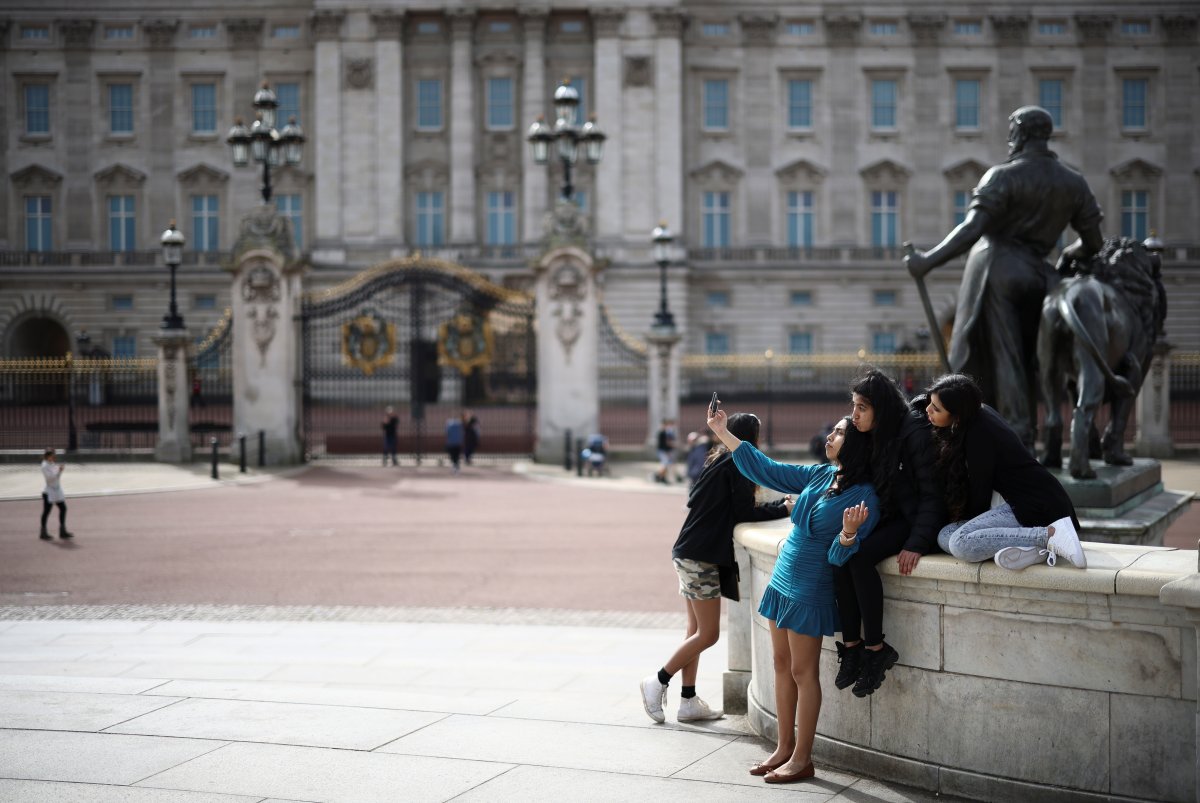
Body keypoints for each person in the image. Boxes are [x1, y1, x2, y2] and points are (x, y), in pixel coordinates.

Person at [904, 106, 1104, 450]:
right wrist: (1068, 254)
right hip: (1043, 275)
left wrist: (927, 261)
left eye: (1013, 131)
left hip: (998, 268)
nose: (1010, 138)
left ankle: (1019, 435)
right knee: (1037, 359)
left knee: (1007, 356)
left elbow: (973, 229)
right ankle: (1055, 431)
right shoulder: (1073, 182)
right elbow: (1094, 243)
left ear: (1022, 134)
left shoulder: (1002, 176)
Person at [711, 412, 880, 785]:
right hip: (784, 576)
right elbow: (769, 469)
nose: (829, 435)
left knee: (804, 672)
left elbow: (839, 559)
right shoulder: (822, 474)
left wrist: (849, 534)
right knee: (780, 663)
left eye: (838, 432)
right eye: (832, 430)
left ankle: (803, 758)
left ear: (856, 445)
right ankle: (783, 748)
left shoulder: (865, 495)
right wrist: (724, 434)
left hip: (811, 585)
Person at [640, 413, 791, 725]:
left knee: (694, 631)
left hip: (687, 550)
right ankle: (657, 681)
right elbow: (743, 512)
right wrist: (784, 507)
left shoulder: (718, 460)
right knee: (707, 635)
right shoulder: (738, 463)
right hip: (701, 556)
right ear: (754, 439)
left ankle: (688, 701)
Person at [834, 369, 945, 698]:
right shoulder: (872, 433)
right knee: (840, 553)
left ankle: (876, 649)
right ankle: (853, 647)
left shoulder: (912, 433)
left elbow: (932, 494)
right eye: (853, 406)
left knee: (861, 557)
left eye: (861, 408)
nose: (853, 416)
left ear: (879, 408)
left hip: (912, 521)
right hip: (889, 515)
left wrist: (916, 543)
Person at [924, 374, 1086, 571]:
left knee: (960, 543)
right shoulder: (976, 414)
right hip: (1018, 503)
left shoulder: (979, 432)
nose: (928, 410)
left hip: (1036, 506)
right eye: (930, 402)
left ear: (957, 416)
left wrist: (972, 531)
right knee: (945, 536)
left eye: (936, 408)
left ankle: (1050, 536)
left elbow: (979, 495)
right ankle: (1034, 549)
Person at [39, 448, 73, 541]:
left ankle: (62, 531)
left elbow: (57, 477)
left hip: (56, 490)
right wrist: (59, 471)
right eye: (51, 455)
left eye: (53, 455)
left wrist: (60, 470)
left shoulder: (52, 463)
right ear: (47, 456)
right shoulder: (44, 465)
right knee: (46, 512)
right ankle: (43, 532)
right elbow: (50, 478)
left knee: (63, 508)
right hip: (48, 492)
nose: (53, 457)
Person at [654, 419, 679, 484]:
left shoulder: (664, 433)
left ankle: (661, 477)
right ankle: (658, 476)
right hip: (663, 451)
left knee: (666, 465)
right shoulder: (663, 433)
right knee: (665, 464)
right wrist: (673, 445)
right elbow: (666, 443)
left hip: (663, 451)